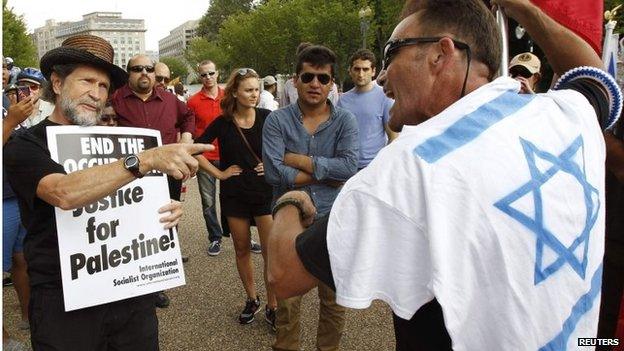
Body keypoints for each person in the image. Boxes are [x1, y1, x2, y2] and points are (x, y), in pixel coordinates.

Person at [267, 0, 621, 350]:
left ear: (441, 54)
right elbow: (596, 77)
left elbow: (283, 276)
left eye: (391, 54)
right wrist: (523, 8)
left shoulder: (411, 169)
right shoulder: (559, 115)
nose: (382, 75)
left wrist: (290, 199)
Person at [3, 33, 212, 351]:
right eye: (87, 81)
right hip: (64, 304)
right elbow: (63, 193)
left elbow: (135, 199)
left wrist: (163, 213)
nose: (96, 94)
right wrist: (145, 159)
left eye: (103, 87)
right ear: (57, 83)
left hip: (131, 299)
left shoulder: (122, 142)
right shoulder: (26, 143)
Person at [263, 45, 358, 351]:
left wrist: (297, 159)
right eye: (308, 76)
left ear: (332, 83)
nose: (315, 84)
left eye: (323, 78)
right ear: (295, 80)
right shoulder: (277, 121)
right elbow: (274, 174)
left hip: (333, 218)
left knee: (333, 299)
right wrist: (326, 171)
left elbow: (349, 167)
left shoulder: (345, 121)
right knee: (287, 302)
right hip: (291, 217)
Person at [194, 68, 277, 328]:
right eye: (248, 90)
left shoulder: (268, 117)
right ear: (235, 93)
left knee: (270, 252)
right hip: (234, 194)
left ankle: (273, 306)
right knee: (241, 249)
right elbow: (196, 150)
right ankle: (252, 299)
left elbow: (287, 147)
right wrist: (219, 173)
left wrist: (272, 164)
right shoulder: (223, 122)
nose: (254, 95)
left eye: (256, 90)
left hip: (264, 192)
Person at [111, 54, 195, 309]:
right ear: (129, 73)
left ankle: (158, 282)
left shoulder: (170, 99)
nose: (144, 73)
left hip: (165, 175)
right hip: (129, 175)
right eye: (138, 69)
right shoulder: (115, 99)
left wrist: (187, 138)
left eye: (149, 69)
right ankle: (124, 279)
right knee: (130, 224)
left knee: (165, 221)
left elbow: (188, 116)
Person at [187, 60, 227, 256]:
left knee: (233, 198)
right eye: (204, 75)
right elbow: (191, 132)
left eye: (211, 73)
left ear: (217, 73)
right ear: (199, 76)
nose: (208, 77)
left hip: (229, 155)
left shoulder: (229, 97)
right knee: (208, 201)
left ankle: (241, 235)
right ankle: (215, 238)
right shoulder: (193, 102)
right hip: (205, 158)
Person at [337, 49, 396, 170]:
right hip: (346, 168)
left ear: (373, 71)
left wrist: (382, 165)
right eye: (357, 69)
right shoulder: (342, 101)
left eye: (365, 69)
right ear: (350, 71)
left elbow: (393, 136)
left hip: (374, 167)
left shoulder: (384, 97)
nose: (361, 74)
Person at [279, 42, 340, 108]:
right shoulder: (288, 85)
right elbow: (283, 106)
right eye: (307, 77)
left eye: (323, 79)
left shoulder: (332, 86)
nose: (315, 84)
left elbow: (334, 106)